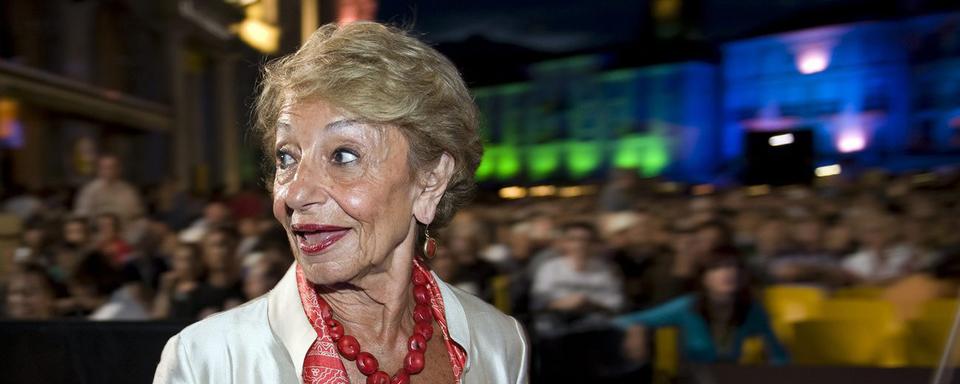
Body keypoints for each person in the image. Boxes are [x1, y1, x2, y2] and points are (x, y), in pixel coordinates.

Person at [155, 22, 527, 384]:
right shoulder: (206, 361)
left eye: (344, 156)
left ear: (430, 180)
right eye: (287, 157)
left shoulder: (500, 344)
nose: (296, 194)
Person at [616, 249, 788, 365]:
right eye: (717, 268)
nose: (729, 273)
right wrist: (635, 328)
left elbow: (780, 356)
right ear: (704, 278)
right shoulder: (687, 307)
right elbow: (620, 321)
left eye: (734, 267)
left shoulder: (752, 310)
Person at [531, 222, 624, 334]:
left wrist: (588, 303)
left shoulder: (606, 270)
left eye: (586, 240)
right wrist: (564, 304)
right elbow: (538, 303)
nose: (580, 244)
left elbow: (616, 306)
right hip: (556, 332)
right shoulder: (549, 268)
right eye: (573, 239)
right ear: (564, 243)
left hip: (597, 331)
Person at [73, 154, 144, 224]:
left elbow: (137, 215)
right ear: (99, 170)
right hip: (98, 230)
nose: (109, 171)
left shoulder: (129, 190)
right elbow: (82, 216)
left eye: (112, 167)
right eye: (105, 168)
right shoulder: (90, 190)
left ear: (119, 169)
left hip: (126, 229)